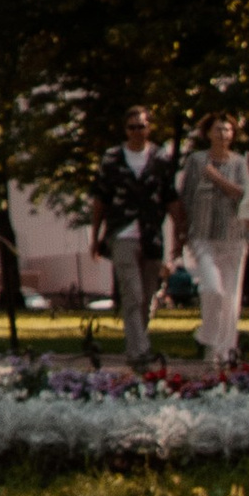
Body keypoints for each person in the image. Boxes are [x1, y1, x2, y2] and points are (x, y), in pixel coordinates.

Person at [92, 113, 173, 367]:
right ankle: (139, 352)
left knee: (147, 296)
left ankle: (137, 343)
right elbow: (100, 198)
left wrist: (180, 234)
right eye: (132, 127)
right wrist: (95, 236)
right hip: (122, 232)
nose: (137, 131)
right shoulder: (112, 159)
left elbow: (171, 197)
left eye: (142, 126)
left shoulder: (161, 158)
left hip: (151, 235)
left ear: (149, 128)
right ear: (125, 130)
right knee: (133, 293)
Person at [174, 115, 249, 371]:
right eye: (219, 130)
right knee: (212, 289)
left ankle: (225, 352)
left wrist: (216, 178)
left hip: (233, 238)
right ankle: (208, 338)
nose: (224, 135)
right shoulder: (195, 161)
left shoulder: (240, 163)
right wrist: (179, 237)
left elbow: (244, 196)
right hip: (203, 237)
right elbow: (184, 200)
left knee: (230, 299)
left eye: (228, 130)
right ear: (208, 133)